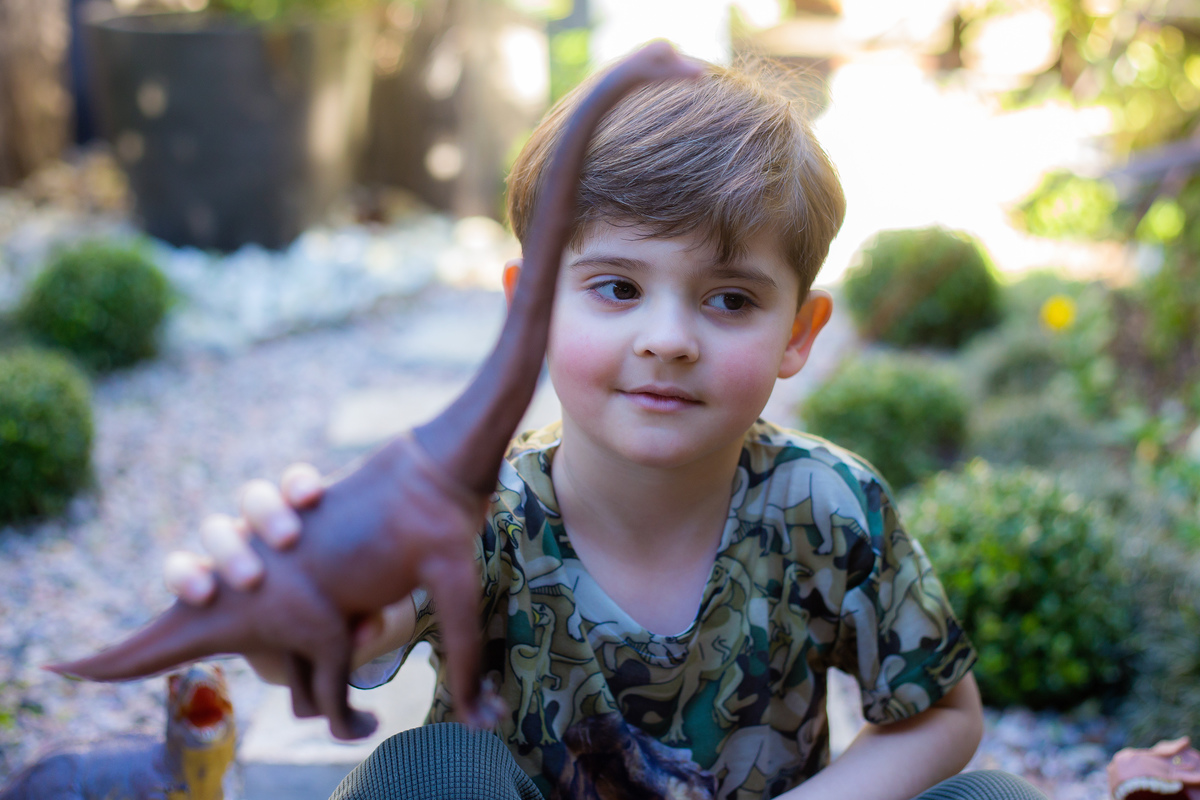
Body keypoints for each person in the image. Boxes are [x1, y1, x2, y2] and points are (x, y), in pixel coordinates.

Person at [164, 50, 1047, 800]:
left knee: (994, 796)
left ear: (798, 334)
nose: (667, 340)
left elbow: (941, 715)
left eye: (730, 298)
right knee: (429, 769)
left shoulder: (831, 503)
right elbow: (363, 623)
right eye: (618, 287)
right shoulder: (482, 511)